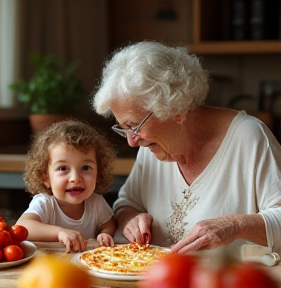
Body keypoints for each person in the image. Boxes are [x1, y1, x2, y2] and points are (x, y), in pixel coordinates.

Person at [92, 40, 281, 258]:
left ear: (176, 109)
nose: (132, 141)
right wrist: (131, 219)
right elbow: (127, 204)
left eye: (134, 126)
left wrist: (235, 224)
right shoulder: (152, 146)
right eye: (124, 128)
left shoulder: (250, 138)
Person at [16, 119, 117, 252]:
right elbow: (22, 227)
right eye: (63, 168)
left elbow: (109, 225)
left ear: (98, 173)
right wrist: (60, 233)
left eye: (85, 167)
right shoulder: (45, 203)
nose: (75, 178)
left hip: (87, 266)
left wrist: (105, 234)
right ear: (46, 178)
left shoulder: (96, 202)